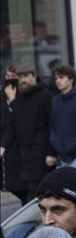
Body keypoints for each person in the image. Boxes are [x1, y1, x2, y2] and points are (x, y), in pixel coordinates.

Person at [0, 68, 55, 204]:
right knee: (29, 195)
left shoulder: (46, 96)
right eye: (20, 77)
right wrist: (3, 146)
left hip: (41, 154)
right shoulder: (20, 97)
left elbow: (53, 125)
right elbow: (13, 124)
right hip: (24, 156)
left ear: (34, 77)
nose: (23, 80)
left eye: (26, 76)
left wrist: (51, 153)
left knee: (35, 195)